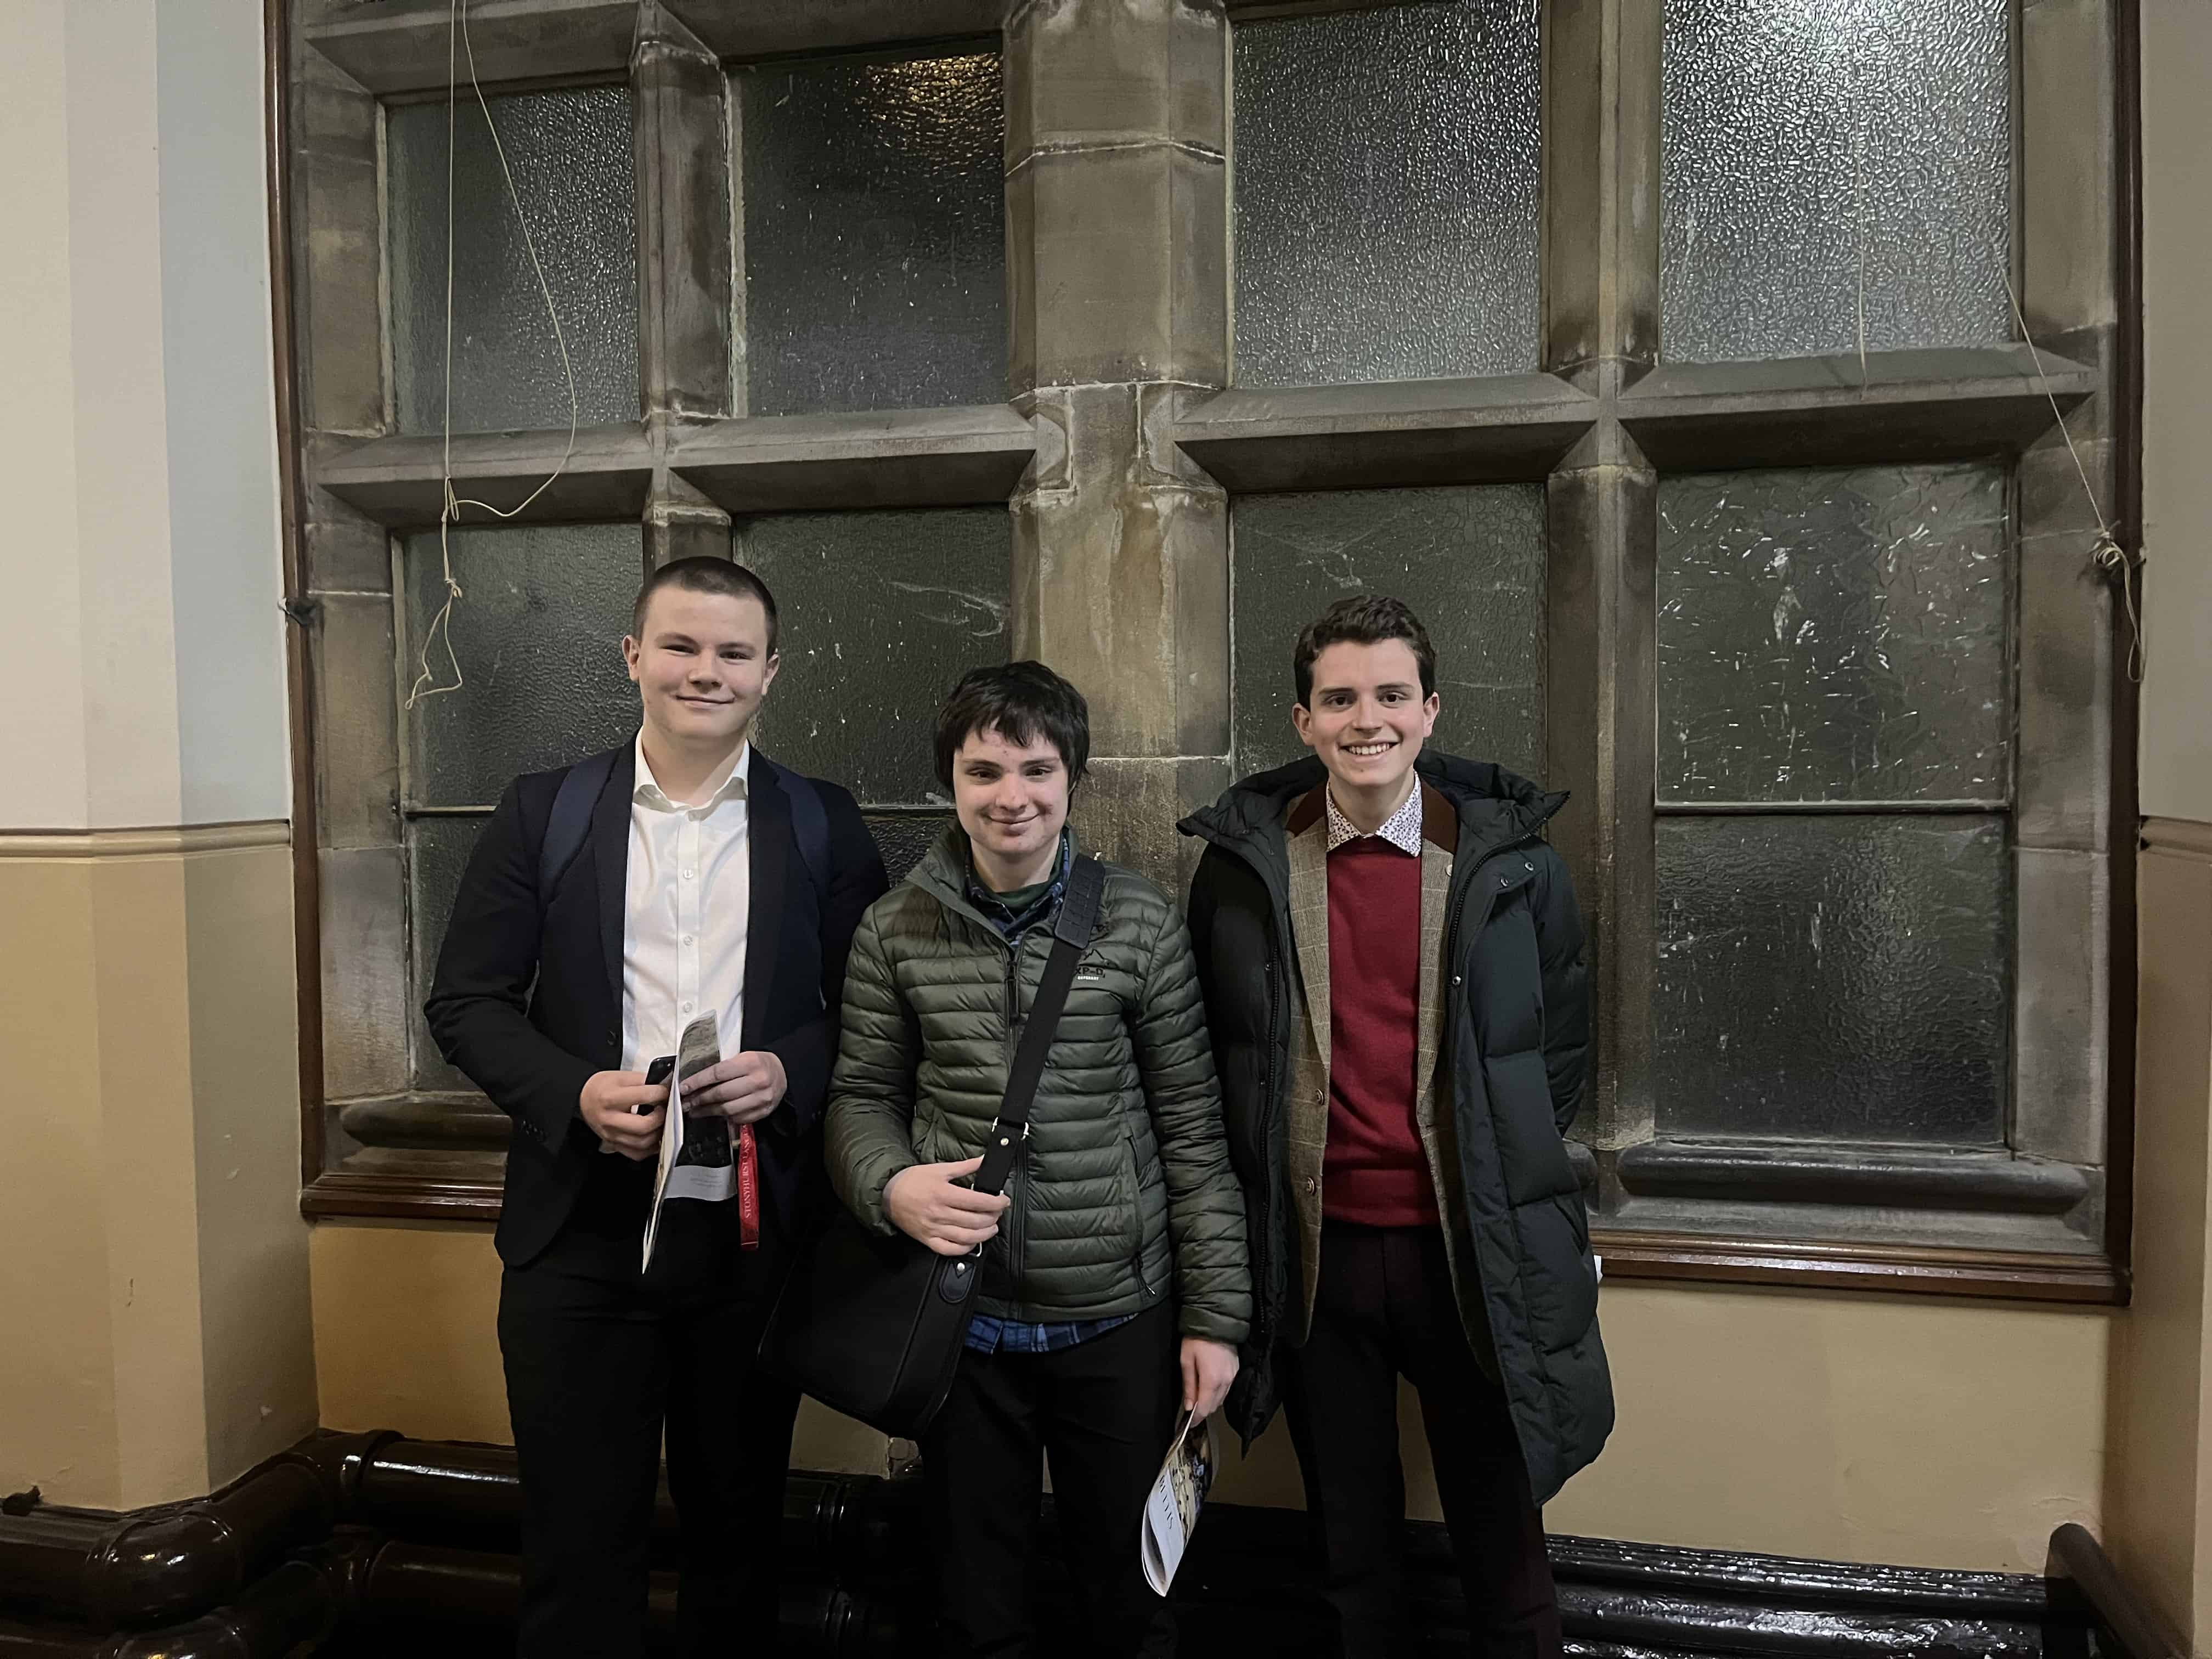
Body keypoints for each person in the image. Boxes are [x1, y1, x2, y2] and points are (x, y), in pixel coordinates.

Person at [424, 556, 889, 1658]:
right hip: (576, 1237)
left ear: (770, 672)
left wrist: (790, 1073)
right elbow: (467, 1001)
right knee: (578, 1554)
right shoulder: (546, 813)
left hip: (749, 1239)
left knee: (739, 1551)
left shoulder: (821, 823)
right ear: (634, 657)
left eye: (733, 653)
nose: (705, 671)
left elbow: (877, 1013)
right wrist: (571, 1092)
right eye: (681, 646)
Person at [1180, 595, 1611, 1659]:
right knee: (1350, 1560)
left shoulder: (1513, 871)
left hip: (1470, 1260)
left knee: (1505, 1554)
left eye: (1388, 695)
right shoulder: (1245, 876)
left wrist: (1494, 1172)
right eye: (1339, 699)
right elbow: (1217, 1056)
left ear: (1430, 712)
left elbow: (1554, 1059)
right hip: (1320, 1269)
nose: (1364, 719)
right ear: (1302, 720)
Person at [825, 661, 1250, 1658]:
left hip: (1117, 1320)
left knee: (1132, 1603)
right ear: (951, 783)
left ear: (1073, 779)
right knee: (976, 1605)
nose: (1010, 796)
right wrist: (889, 1186)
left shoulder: (1138, 920)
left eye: (1036, 769)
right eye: (983, 771)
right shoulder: (894, 928)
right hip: (960, 1325)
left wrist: (1218, 1320)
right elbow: (859, 1101)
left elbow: (1194, 1132)